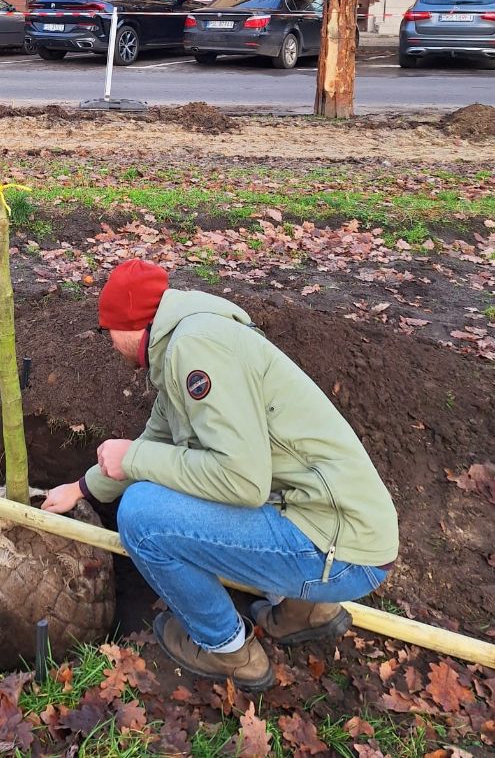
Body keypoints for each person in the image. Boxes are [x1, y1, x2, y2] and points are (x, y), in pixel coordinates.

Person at [43, 259, 398, 692]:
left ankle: (227, 649)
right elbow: (157, 438)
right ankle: (308, 611)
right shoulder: (188, 343)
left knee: (140, 516)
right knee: (159, 484)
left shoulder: (197, 350)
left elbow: (242, 481)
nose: (109, 343)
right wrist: (81, 488)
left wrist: (135, 459)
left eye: (107, 331)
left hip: (341, 552)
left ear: (130, 325)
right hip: (341, 530)